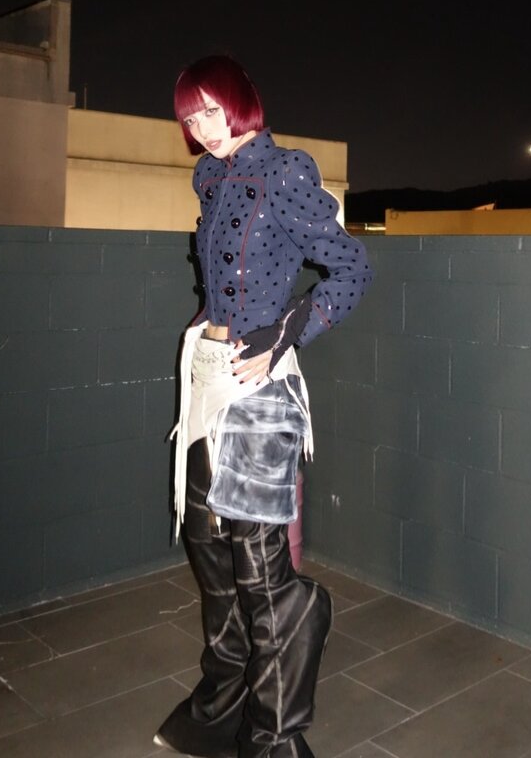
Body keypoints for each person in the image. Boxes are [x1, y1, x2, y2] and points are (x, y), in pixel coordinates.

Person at [154, 54, 373, 758]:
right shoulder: (210, 176)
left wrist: (288, 332)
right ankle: (224, 701)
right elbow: (223, 274)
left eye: (211, 110)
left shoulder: (285, 171)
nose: (202, 127)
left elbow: (352, 267)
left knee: (257, 565)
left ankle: (276, 731)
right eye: (190, 117)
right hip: (206, 377)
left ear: (241, 101)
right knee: (209, 549)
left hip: (257, 388)